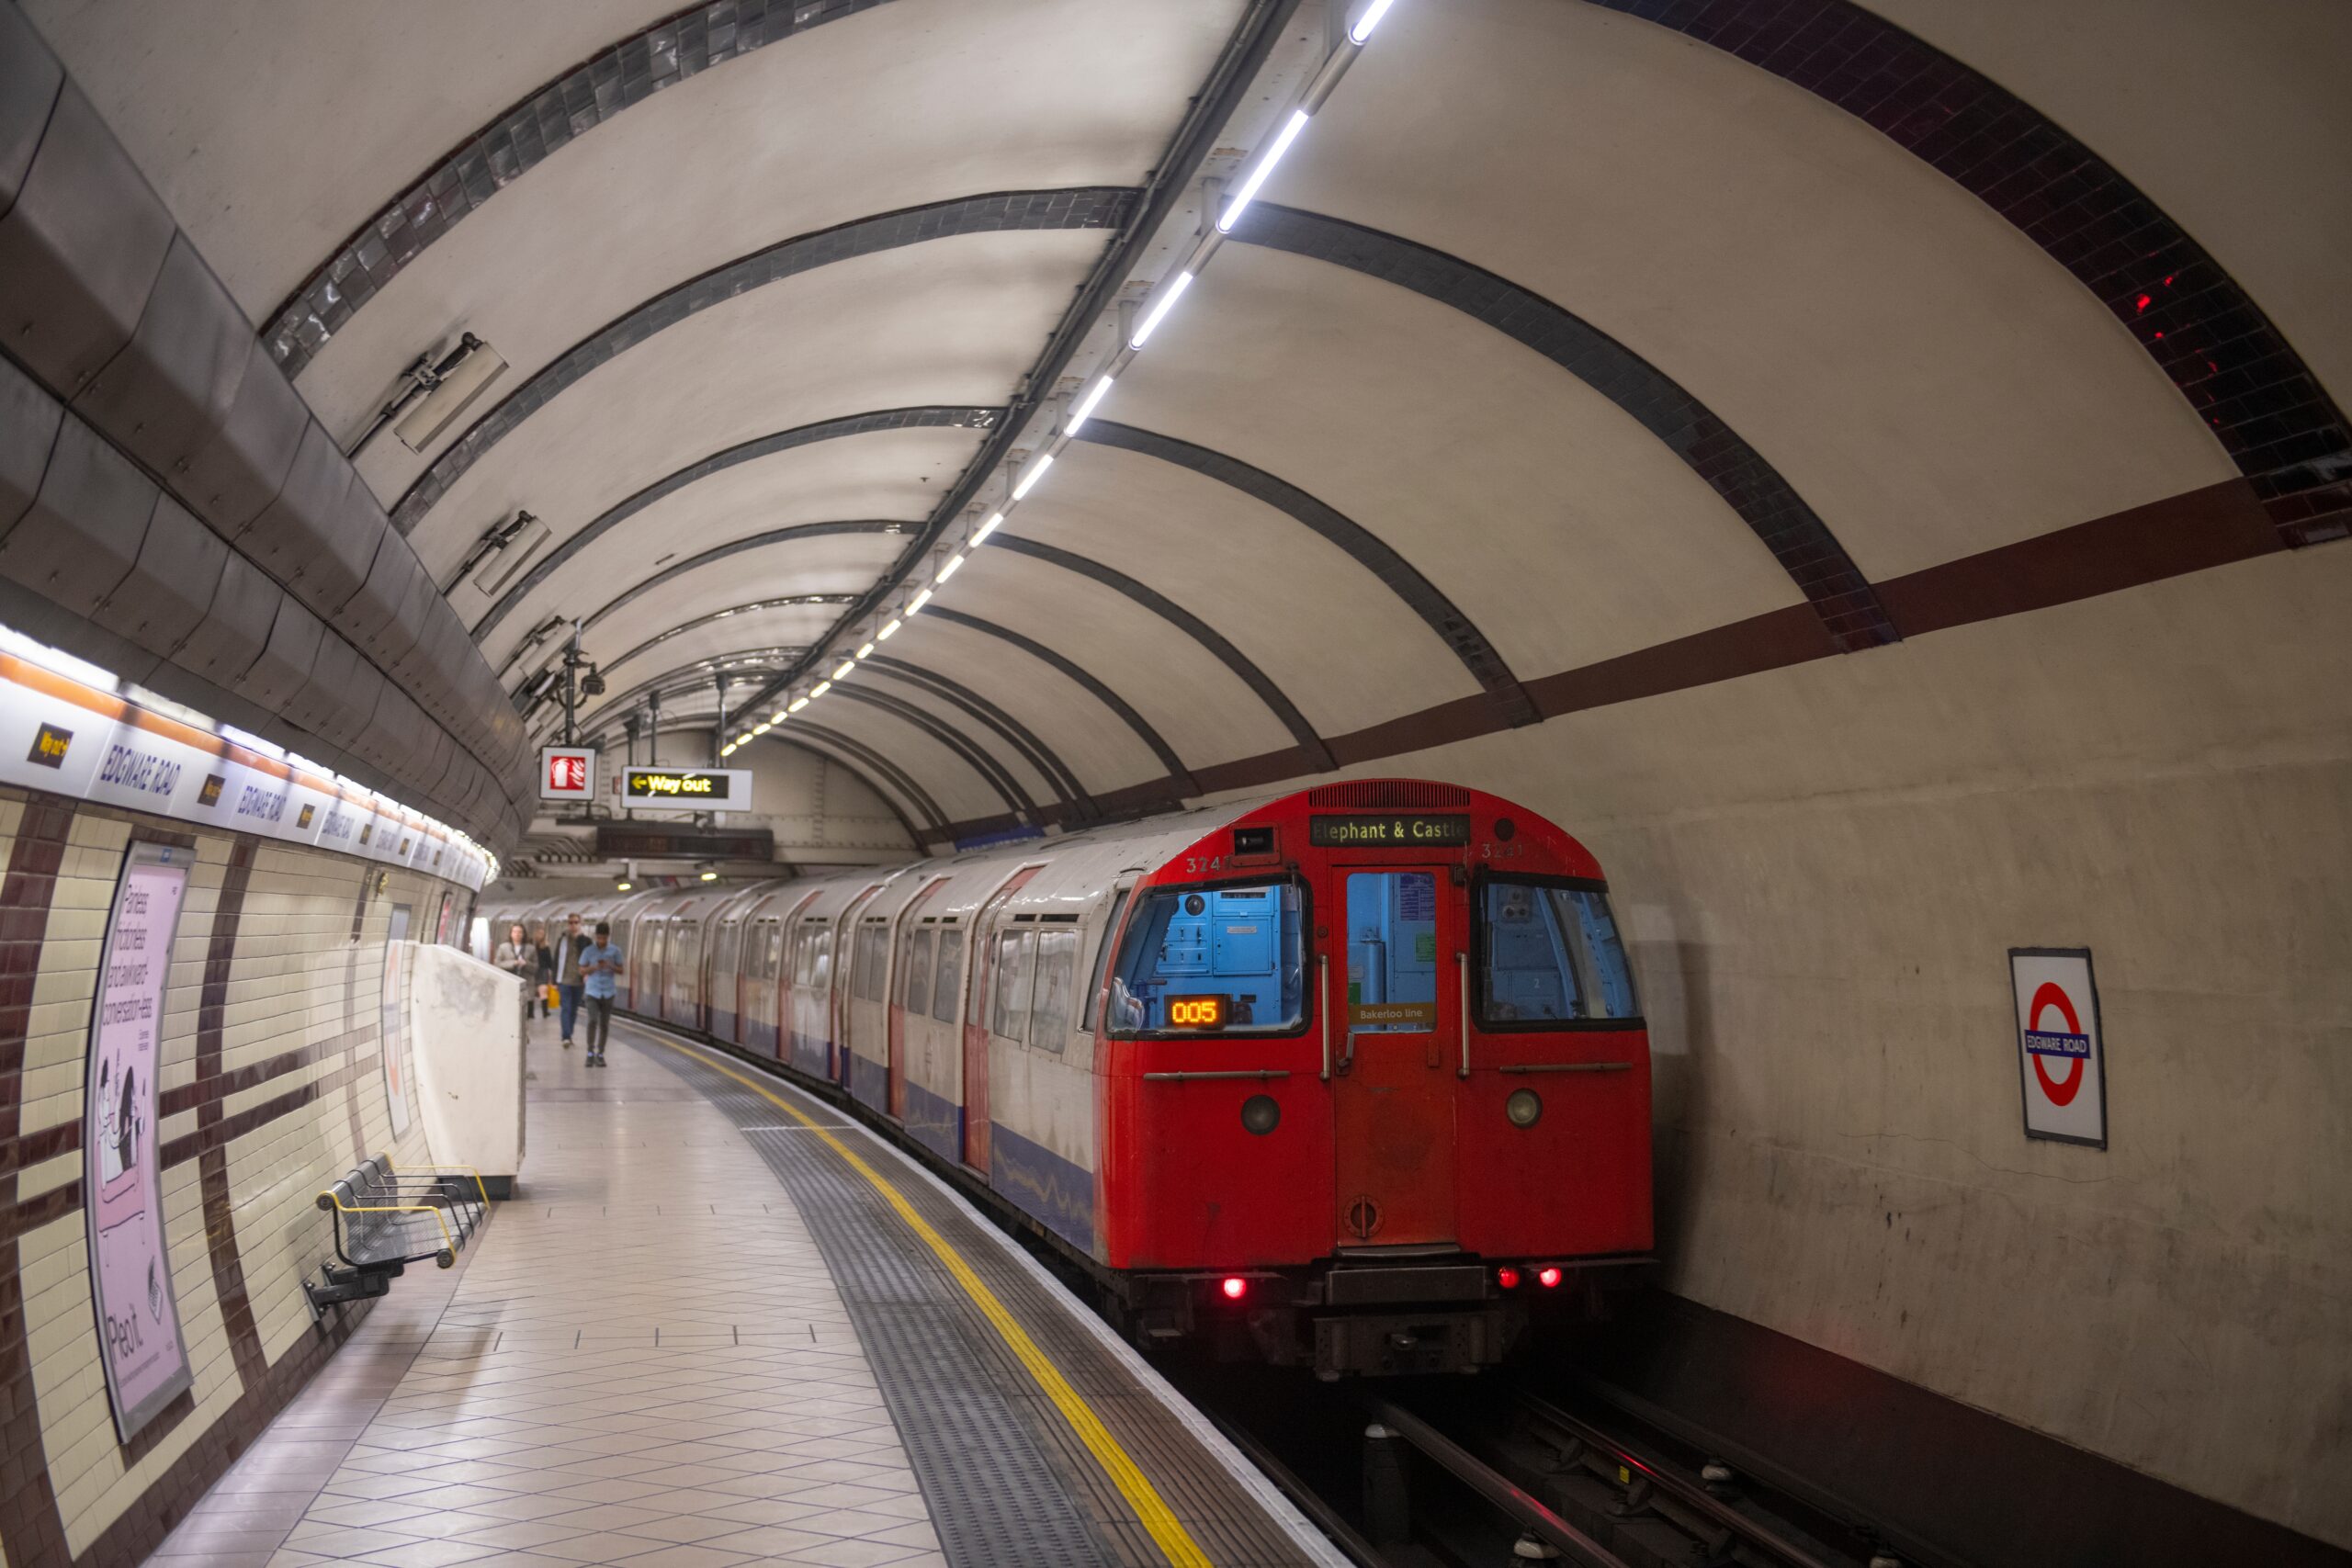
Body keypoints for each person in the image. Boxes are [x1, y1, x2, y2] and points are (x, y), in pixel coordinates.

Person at [579, 920, 625, 1067]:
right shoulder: (588, 951)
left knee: (604, 1024)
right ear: (596, 936)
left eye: (604, 938)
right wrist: (594, 967)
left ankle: (601, 1053)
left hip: (608, 992)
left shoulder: (615, 951)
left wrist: (609, 965)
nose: (602, 941)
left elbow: (621, 970)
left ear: (608, 937)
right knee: (592, 1020)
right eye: (599, 938)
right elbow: (581, 970)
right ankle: (590, 1052)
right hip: (592, 991)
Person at [552, 912, 590, 1048]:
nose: (573, 925)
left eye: (575, 922)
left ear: (580, 924)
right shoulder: (562, 940)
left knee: (574, 1009)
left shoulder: (586, 941)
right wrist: (554, 981)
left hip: (579, 981)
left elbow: (590, 959)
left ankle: (569, 1034)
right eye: (570, 922)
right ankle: (566, 1037)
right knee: (565, 1008)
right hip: (564, 980)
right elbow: (556, 960)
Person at [493, 923, 535, 1029]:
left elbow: (536, 967)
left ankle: (523, 1032)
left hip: (526, 983)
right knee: (509, 1009)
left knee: (523, 1012)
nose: (517, 934)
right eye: (515, 932)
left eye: (520, 932)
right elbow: (497, 964)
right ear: (511, 933)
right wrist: (513, 963)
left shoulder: (531, 949)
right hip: (508, 984)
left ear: (524, 934)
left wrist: (526, 963)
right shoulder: (503, 947)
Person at [530, 924, 554, 1019]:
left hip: (538, 970)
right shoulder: (543, 947)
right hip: (538, 970)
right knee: (538, 991)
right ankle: (543, 1012)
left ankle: (534, 1013)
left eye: (542, 934)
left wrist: (551, 971)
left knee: (540, 991)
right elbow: (549, 961)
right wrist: (551, 971)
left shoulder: (533, 946)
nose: (540, 936)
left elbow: (549, 961)